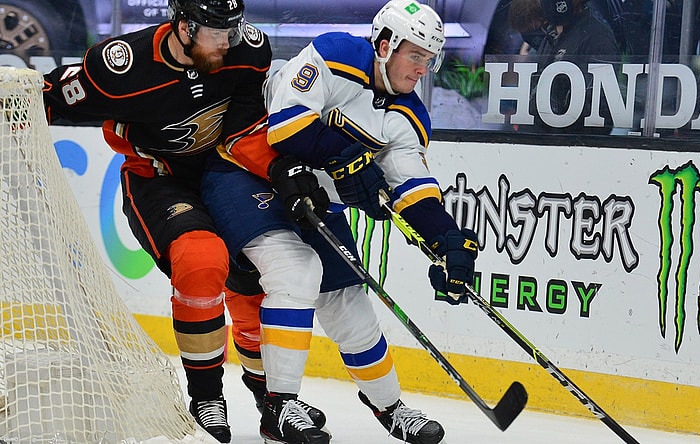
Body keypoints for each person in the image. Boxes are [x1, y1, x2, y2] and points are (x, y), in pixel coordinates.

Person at [200, 0, 479, 443]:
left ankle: (391, 408)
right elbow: (286, 126)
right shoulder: (335, 54)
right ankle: (280, 406)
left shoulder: (408, 116)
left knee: (350, 303)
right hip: (245, 174)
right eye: (415, 55)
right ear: (385, 45)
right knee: (297, 272)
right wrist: (345, 157)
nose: (423, 68)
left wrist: (445, 239)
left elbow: (412, 187)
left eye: (430, 59)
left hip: (312, 194)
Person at [39, 1, 292, 442]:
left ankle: (274, 403)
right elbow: (46, 97)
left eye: (232, 30)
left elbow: (248, 127)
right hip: (159, 181)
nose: (227, 42)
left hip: (227, 176)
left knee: (256, 284)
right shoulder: (123, 68)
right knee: (201, 260)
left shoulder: (248, 53)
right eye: (216, 33)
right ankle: (207, 396)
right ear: (184, 26)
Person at [509, 0, 621, 133]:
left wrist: (561, 98)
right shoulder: (553, 34)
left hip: (565, 146)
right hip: (538, 143)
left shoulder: (596, 38)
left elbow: (600, 116)